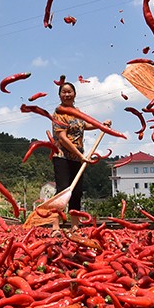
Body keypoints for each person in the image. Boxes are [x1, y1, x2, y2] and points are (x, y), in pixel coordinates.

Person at [51, 80, 109, 230]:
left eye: (69, 91)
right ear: (59, 95)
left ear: (75, 94)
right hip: (62, 156)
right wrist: (80, 155)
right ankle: (55, 227)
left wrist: (101, 125)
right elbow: (63, 138)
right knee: (63, 190)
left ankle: (74, 226)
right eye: (64, 92)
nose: (67, 94)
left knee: (76, 192)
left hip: (78, 158)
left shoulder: (77, 111)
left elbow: (84, 125)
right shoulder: (58, 113)